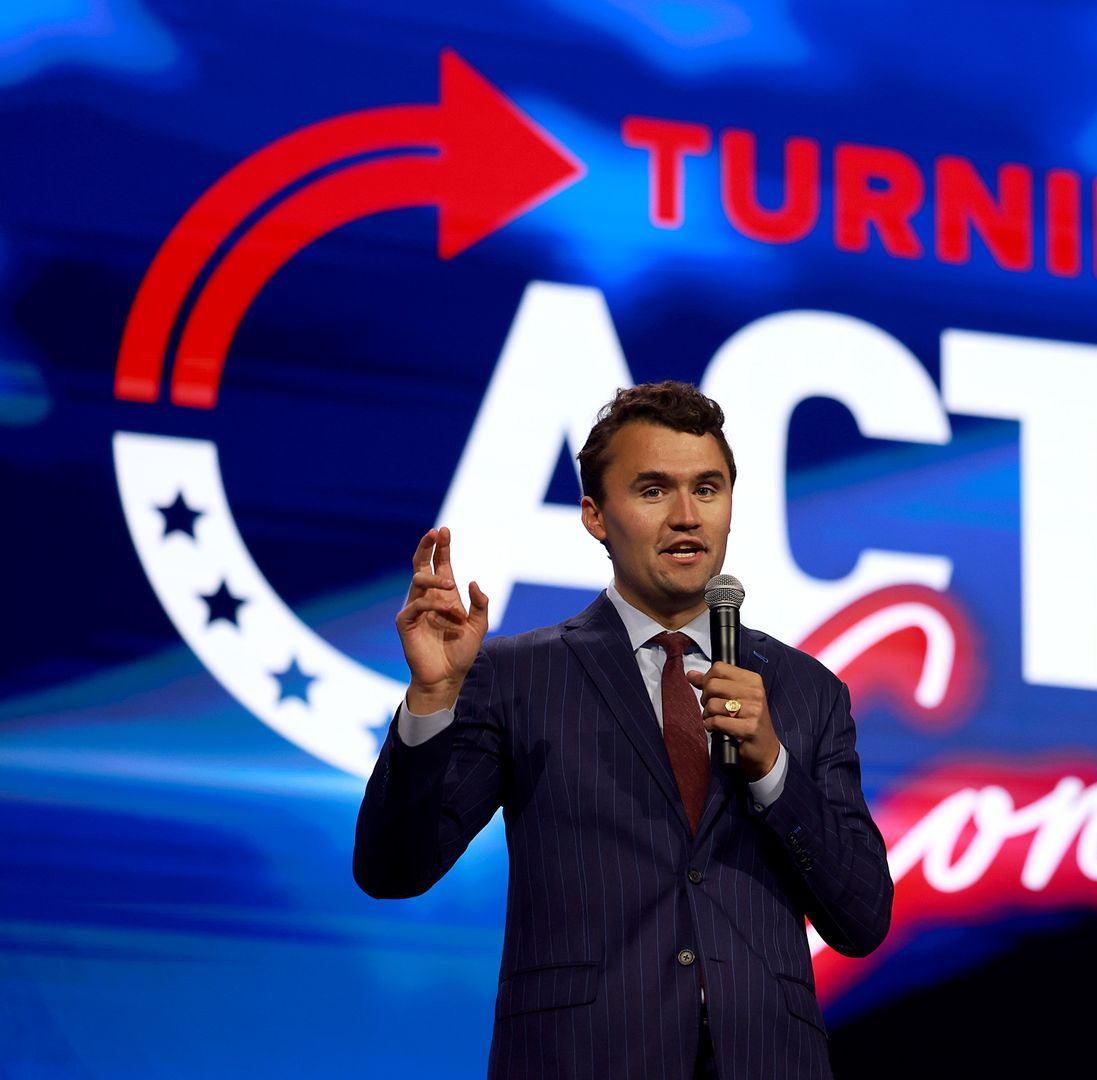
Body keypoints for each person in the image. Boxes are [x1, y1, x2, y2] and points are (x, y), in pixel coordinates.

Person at [354, 381, 892, 1079]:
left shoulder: (807, 691)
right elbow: (393, 869)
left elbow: (863, 918)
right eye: (651, 491)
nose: (685, 517)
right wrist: (432, 698)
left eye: (707, 488)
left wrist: (772, 770)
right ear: (595, 516)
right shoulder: (519, 676)